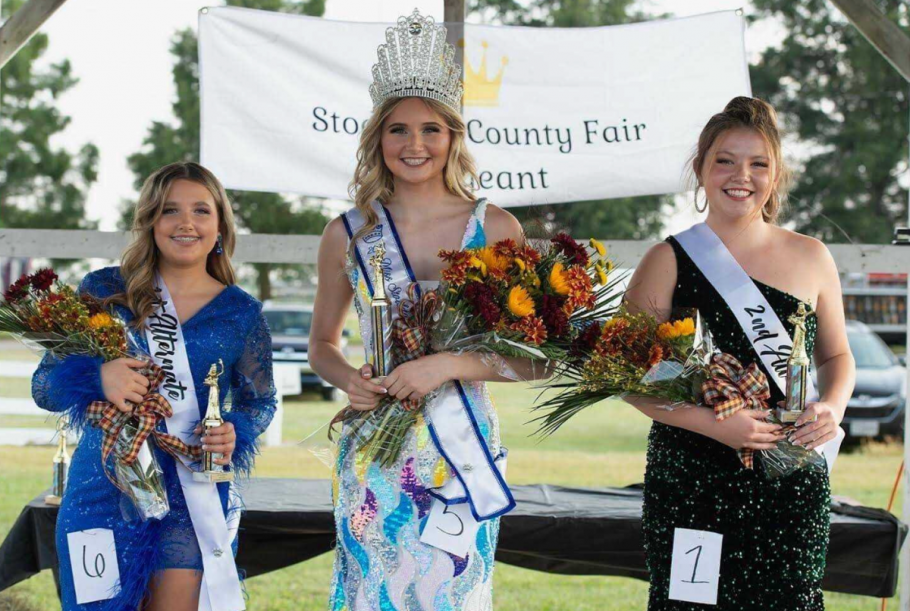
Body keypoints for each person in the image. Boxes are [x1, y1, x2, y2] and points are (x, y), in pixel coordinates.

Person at [309, 10, 531, 611]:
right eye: (399, 130)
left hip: (461, 450)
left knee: (452, 593)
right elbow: (322, 345)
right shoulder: (350, 233)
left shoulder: (496, 228)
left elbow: (535, 362)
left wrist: (446, 365)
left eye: (431, 129)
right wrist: (349, 378)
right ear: (377, 139)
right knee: (372, 590)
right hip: (375, 455)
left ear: (453, 137)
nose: (415, 144)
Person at [624, 96, 855, 610]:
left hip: (789, 479)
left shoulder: (812, 255)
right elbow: (624, 378)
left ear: (776, 174)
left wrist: (832, 408)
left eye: (758, 164)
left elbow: (837, 358)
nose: (740, 176)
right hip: (692, 477)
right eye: (724, 160)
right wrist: (714, 425)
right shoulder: (666, 259)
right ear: (701, 168)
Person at [32, 162, 276, 611]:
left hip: (191, 495)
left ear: (220, 224)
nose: (186, 223)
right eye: (169, 210)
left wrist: (234, 432)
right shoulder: (105, 289)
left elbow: (261, 402)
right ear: (149, 222)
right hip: (102, 488)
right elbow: (45, 385)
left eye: (201, 211)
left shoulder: (241, 313)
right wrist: (97, 377)